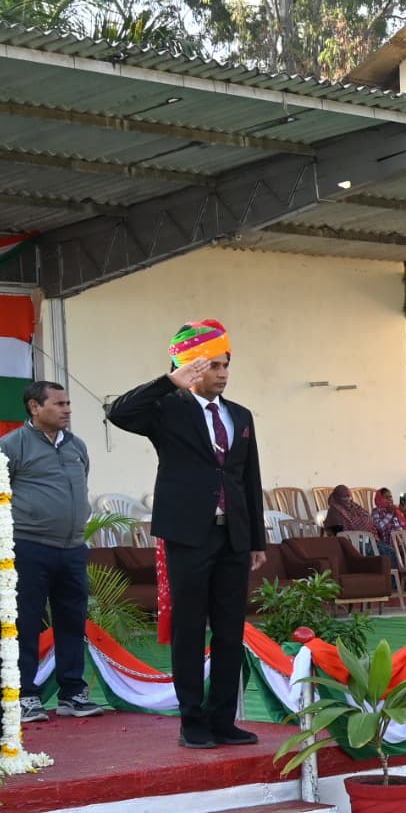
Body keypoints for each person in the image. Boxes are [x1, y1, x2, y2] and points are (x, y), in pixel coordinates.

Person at [107, 320, 265, 749]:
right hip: (188, 536)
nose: (222, 373)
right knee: (190, 629)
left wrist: (255, 540)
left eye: (225, 365)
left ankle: (223, 719)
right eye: (213, 366)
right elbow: (118, 412)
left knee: (231, 630)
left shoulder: (240, 416)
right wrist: (167, 382)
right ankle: (192, 720)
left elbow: (248, 478)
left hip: (232, 537)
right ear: (190, 369)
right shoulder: (167, 409)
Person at [0, 380, 107, 723]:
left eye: (68, 403)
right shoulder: (11, 445)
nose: (67, 409)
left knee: (72, 620)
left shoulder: (76, 445)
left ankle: (72, 693)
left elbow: (83, 481)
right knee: (26, 620)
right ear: (34, 407)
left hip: (73, 548)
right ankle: (25, 695)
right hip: (28, 546)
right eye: (59, 404)